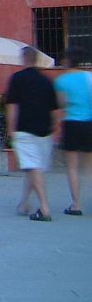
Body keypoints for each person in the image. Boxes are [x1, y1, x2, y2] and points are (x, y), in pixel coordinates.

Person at [6, 47, 61, 222]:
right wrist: (54, 127)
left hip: (24, 129)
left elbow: (12, 106)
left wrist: (11, 128)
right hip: (45, 131)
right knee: (33, 167)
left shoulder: (17, 79)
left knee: (33, 167)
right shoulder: (47, 81)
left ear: (23, 59)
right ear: (36, 59)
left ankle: (44, 208)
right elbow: (55, 109)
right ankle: (24, 203)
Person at [54, 47, 92, 217]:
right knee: (89, 167)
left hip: (71, 123)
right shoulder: (90, 78)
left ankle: (76, 204)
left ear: (67, 61)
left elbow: (61, 104)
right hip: (89, 123)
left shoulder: (62, 81)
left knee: (72, 166)